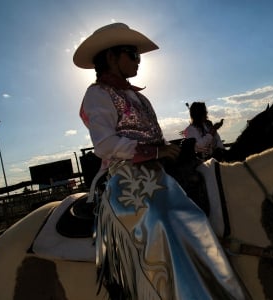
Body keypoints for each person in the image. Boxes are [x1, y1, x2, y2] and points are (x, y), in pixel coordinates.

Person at [74, 23, 248, 299]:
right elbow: (104, 144)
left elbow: (151, 137)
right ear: (111, 57)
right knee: (162, 220)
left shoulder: (138, 96)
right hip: (125, 176)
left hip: (157, 170)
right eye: (133, 55)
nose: (138, 61)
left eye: (138, 56)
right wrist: (155, 152)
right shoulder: (97, 93)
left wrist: (167, 149)